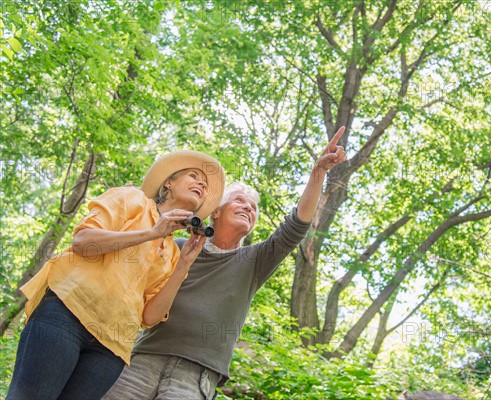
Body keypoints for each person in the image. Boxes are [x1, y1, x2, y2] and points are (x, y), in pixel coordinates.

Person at [103, 127, 347, 399]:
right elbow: (132, 265)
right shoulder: (177, 247)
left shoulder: (254, 261)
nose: (248, 208)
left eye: (253, 208)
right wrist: (134, 201)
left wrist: (318, 174)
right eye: (240, 201)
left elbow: (296, 226)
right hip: (143, 359)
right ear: (215, 212)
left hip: (196, 373)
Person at [7, 150, 225, 400]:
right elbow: (83, 242)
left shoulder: (175, 254)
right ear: (169, 182)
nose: (201, 184)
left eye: (205, 185)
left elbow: (151, 316)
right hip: (66, 315)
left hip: (110, 349)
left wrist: (184, 265)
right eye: (193, 176)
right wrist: (153, 232)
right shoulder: (132, 198)